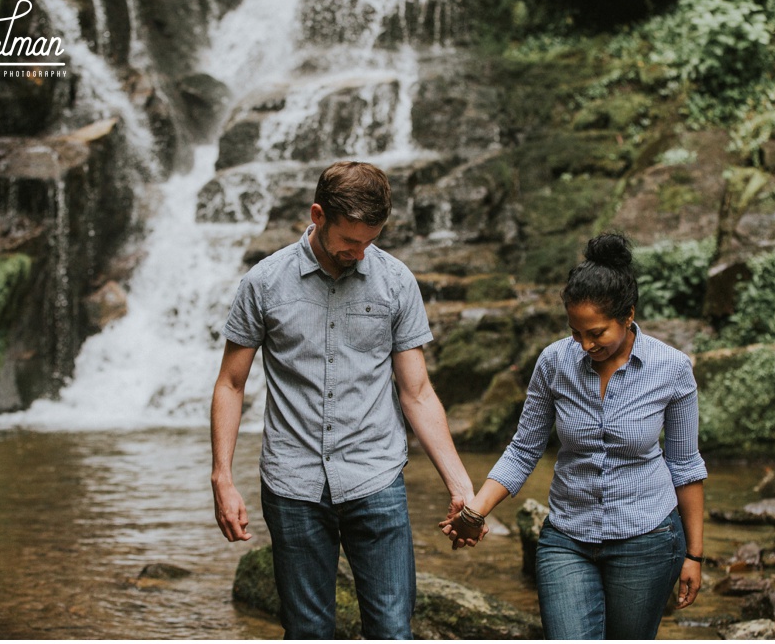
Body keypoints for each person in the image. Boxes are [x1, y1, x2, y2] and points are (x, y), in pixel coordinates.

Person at [210, 160, 481, 640]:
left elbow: (416, 392)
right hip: (292, 484)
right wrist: (223, 478)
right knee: (309, 632)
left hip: (376, 477)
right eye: (350, 241)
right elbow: (231, 384)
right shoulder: (264, 283)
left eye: (370, 241)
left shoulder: (396, 282)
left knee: (393, 631)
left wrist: (459, 484)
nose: (360, 253)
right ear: (317, 215)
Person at [441, 232, 707, 640]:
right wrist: (476, 511)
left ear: (629, 314)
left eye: (596, 333)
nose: (584, 344)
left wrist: (694, 554)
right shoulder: (553, 362)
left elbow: (686, 467)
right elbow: (524, 449)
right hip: (567, 538)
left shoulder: (671, 368)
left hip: (647, 539)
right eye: (575, 332)